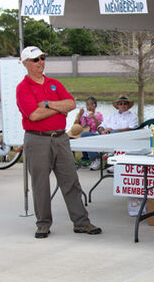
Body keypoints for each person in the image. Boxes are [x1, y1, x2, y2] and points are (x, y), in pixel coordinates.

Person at [16, 46, 101, 239]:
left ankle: (81, 222)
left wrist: (48, 104)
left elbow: (71, 104)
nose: (40, 62)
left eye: (42, 58)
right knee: (40, 184)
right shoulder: (23, 88)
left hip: (60, 138)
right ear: (25, 63)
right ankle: (43, 224)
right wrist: (59, 108)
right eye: (35, 59)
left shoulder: (54, 83)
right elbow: (34, 115)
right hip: (37, 139)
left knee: (70, 180)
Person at [74, 97, 104, 169]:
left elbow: (100, 127)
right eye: (87, 105)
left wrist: (94, 118)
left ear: (95, 106)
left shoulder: (98, 115)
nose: (89, 107)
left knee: (84, 135)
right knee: (75, 136)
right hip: (84, 134)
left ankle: (96, 158)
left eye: (91, 105)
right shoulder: (83, 115)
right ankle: (76, 160)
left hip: (95, 133)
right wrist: (79, 115)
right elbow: (75, 125)